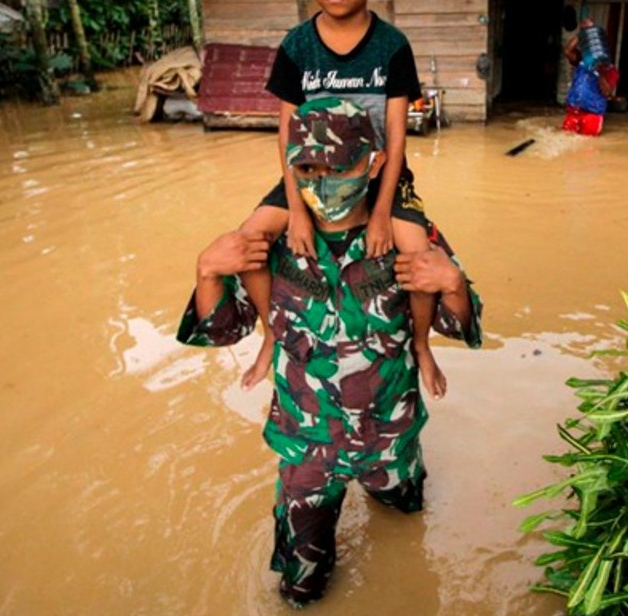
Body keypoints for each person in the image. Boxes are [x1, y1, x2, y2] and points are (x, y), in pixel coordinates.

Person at [179, 99, 483, 607]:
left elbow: (458, 322)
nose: (322, 182)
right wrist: (206, 270)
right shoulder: (271, 243)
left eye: (338, 167)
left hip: (391, 436)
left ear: (373, 163)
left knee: (407, 525)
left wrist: (453, 284)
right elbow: (223, 329)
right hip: (308, 445)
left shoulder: (406, 237)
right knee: (301, 585)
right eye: (307, 169)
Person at [237, 0, 448, 401]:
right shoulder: (296, 47)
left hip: (380, 175)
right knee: (249, 239)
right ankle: (271, 331)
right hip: (310, 178)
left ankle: (420, 344)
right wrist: (297, 212)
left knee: (417, 249)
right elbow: (288, 136)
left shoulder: (392, 46)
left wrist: (379, 213)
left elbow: (396, 137)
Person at [561, 18, 618, 136]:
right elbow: (567, 51)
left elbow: (607, 93)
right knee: (565, 138)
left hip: (593, 113)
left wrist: (599, 72)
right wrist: (584, 33)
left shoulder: (611, 71)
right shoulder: (582, 59)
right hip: (574, 110)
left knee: (587, 146)